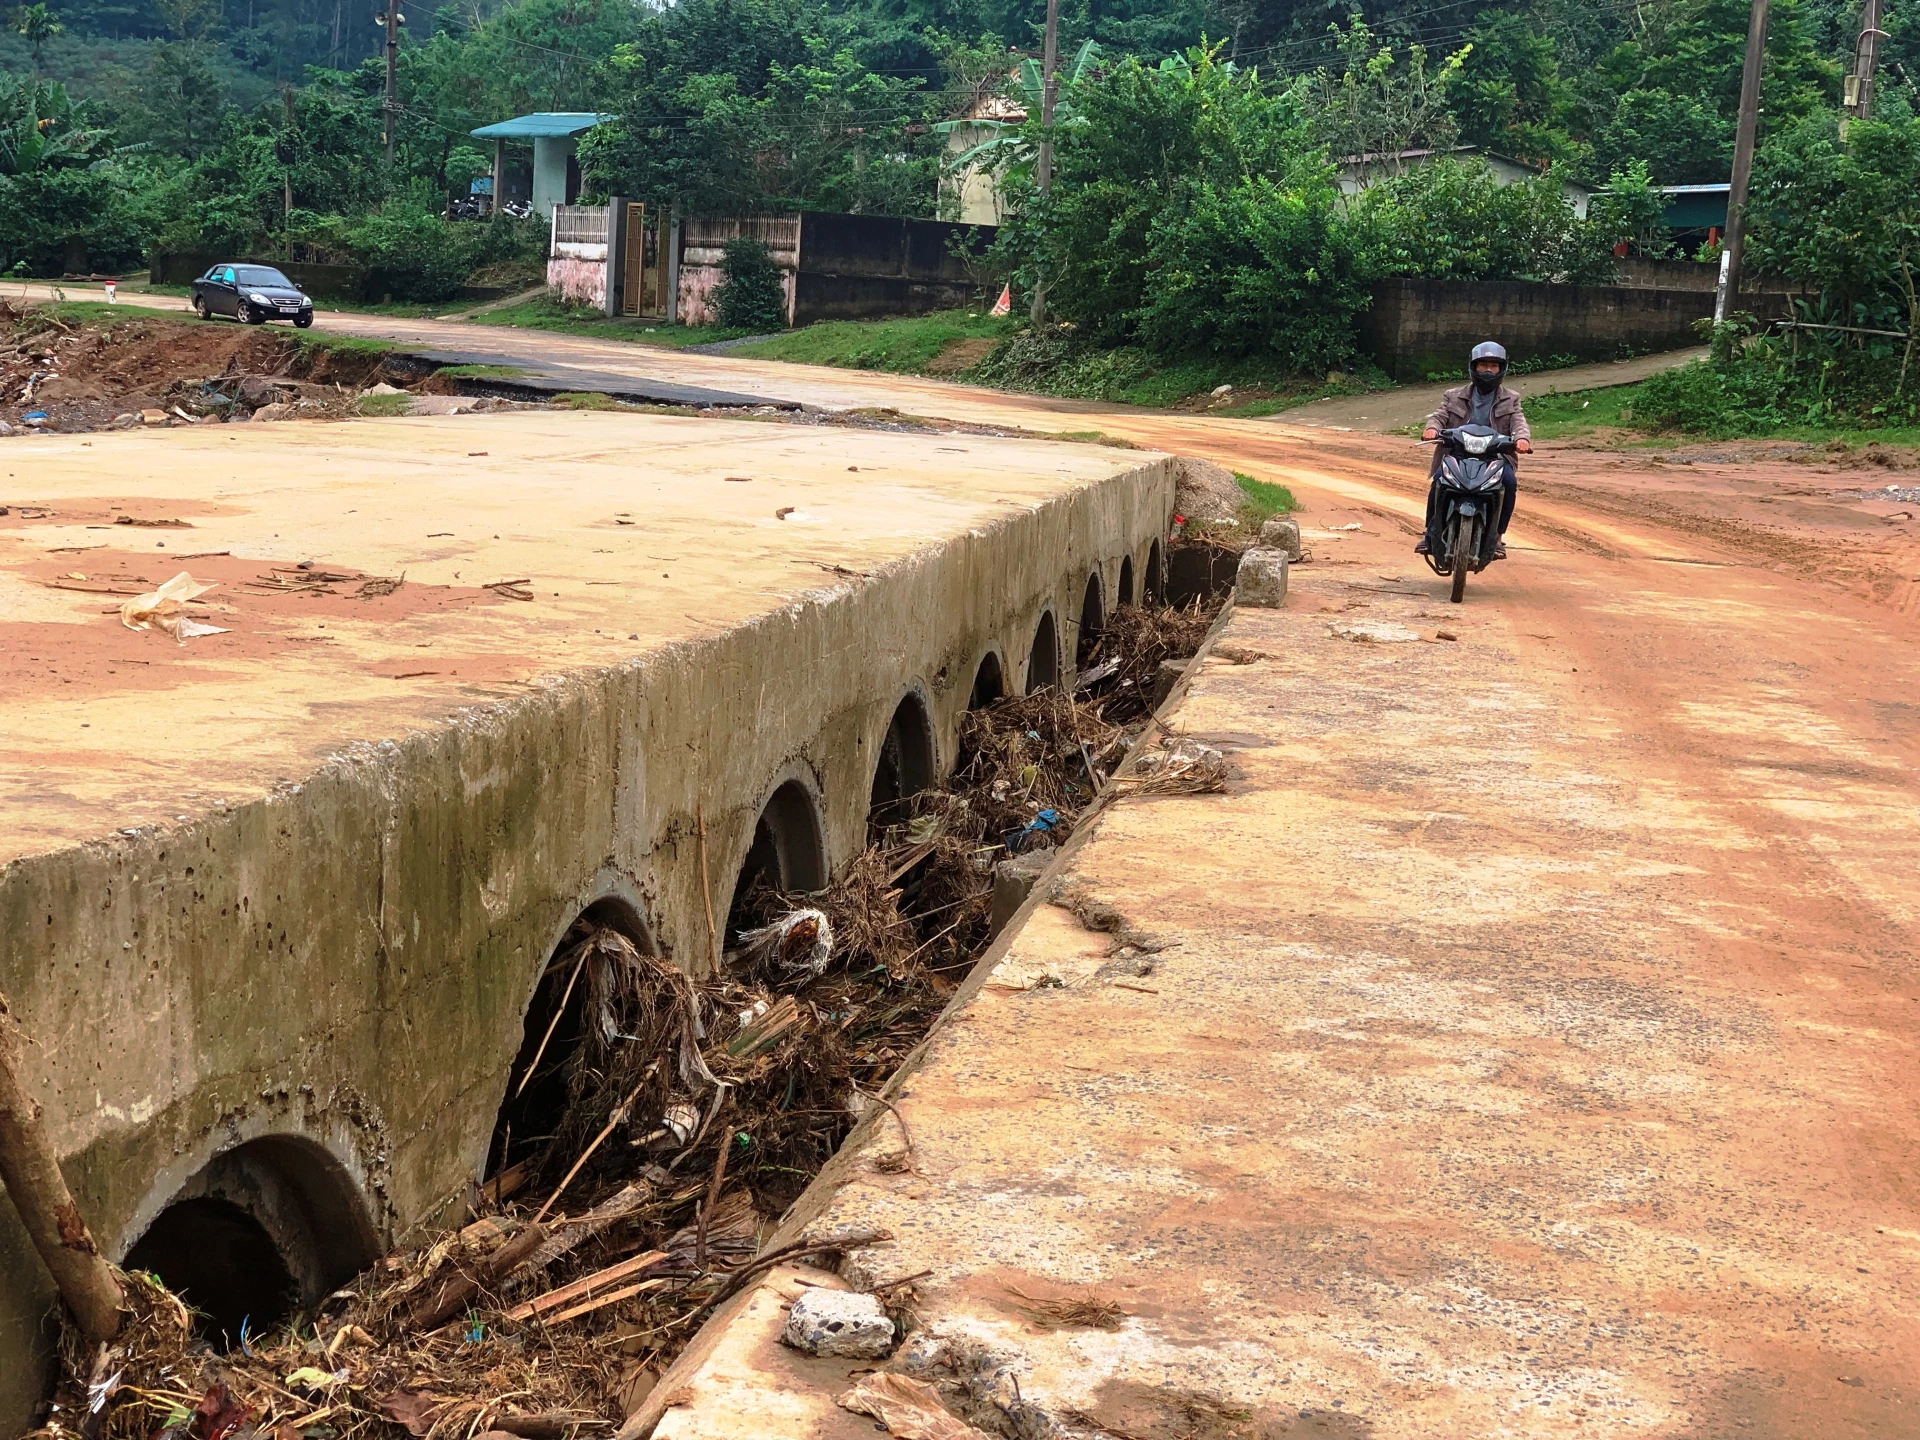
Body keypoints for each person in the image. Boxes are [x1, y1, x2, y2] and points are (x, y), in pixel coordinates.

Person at [1415, 341, 1531, 561]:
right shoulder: (1454, 395)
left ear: (1501, 369)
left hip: (1495, 455)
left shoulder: (1511, 398)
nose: (1488, 370)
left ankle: (1497, 536)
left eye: (1493, 366)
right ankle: (1430, 534)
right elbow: (1440, 415)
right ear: (1473, 367)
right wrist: (1432, 428)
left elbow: (1519, 423)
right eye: (1483, 365)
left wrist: (1522, 439)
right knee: (1439, 480)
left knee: (1509, 482)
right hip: (1457, 452)